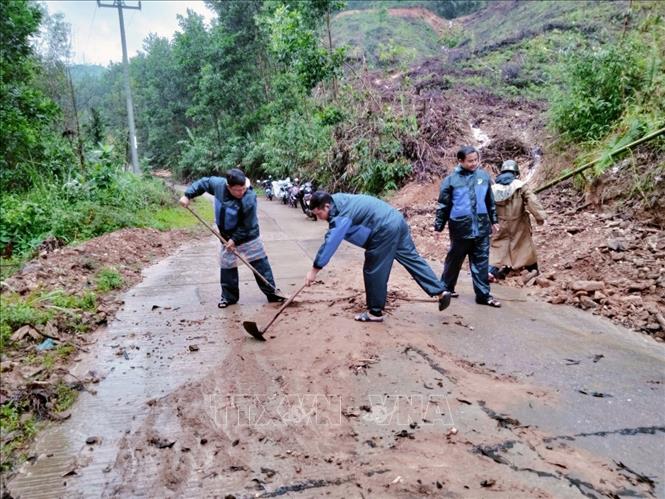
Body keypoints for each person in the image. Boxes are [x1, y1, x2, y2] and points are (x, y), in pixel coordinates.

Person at [304, 191, 451, 322]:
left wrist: (314, 270)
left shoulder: (341, 215)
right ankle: (440, 291)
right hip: (396, 220)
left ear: (327, 206)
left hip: (383, 228)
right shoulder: (337, 200)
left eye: (319, 214)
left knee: (374, 269)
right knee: (412, 258)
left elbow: (330, 243)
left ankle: (375, 312)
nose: (319, 218)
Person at [179, 168, 284, 308]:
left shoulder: (249, 197)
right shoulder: (218, 185)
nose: (241, 192)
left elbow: (247, 225)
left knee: (259, 262)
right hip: (225, 235)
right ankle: (229, 297)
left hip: (249, 235)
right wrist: (188, 195)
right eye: (237, 190)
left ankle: (272, 293)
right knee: (227, 265)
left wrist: (234, 240)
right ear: (228, 187)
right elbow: (203, 183)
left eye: (243, 189)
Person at [434, 146, 501, 307]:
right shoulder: (451, 180)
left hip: (482, 227)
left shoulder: (483, 177)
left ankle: (484, 296)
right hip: (460, 228)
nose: (474, 163)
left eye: (476, 160)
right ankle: (446, 288)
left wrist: (494, 220)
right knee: (455, 259)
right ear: (460, 161)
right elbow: (443, 205)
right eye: (470, 161)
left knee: (481, 262)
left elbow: (489, 202)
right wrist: (438, 226)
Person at [489, 159, 547, 281]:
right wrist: (540, 217)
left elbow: (487, 205)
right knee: (524, 244)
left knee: (498, 246)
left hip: (500, 223)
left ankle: (491, 270)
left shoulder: (493, 187)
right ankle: (533, 270)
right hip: (518, 222)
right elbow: (532, 201)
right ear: (516, 172)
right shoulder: (520, 186)